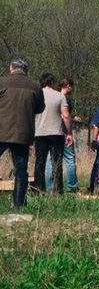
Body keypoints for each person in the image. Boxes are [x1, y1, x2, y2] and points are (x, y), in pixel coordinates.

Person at [0, 56, 45, 208]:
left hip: (1, 131)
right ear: (26, 70)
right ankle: (19, 204)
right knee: (21, 170)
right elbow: (40, 108)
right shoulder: (35, 86)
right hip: (22, 133)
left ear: (11, 68)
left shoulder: (2, 82)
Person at [34, 73, 74, 194]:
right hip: (56, 133)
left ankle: (39, 190)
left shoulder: (36, 95)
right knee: (57, 163)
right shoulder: (59, 96)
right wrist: (69, 133)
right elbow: (66, 116)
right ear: (51, 82)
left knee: (40, 163)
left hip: (39, 133)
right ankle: (58, 191)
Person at [45, 78, 78, 192]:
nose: (72, 89)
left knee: (50, 160)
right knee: (70, 159)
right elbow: (65, 116)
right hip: (63, 132)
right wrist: (69, 132)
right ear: (68, 85)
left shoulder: (53, 97)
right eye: (72, 86)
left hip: (51, 131)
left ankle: (49, 187)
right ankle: (72, 187)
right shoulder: (65, 99)